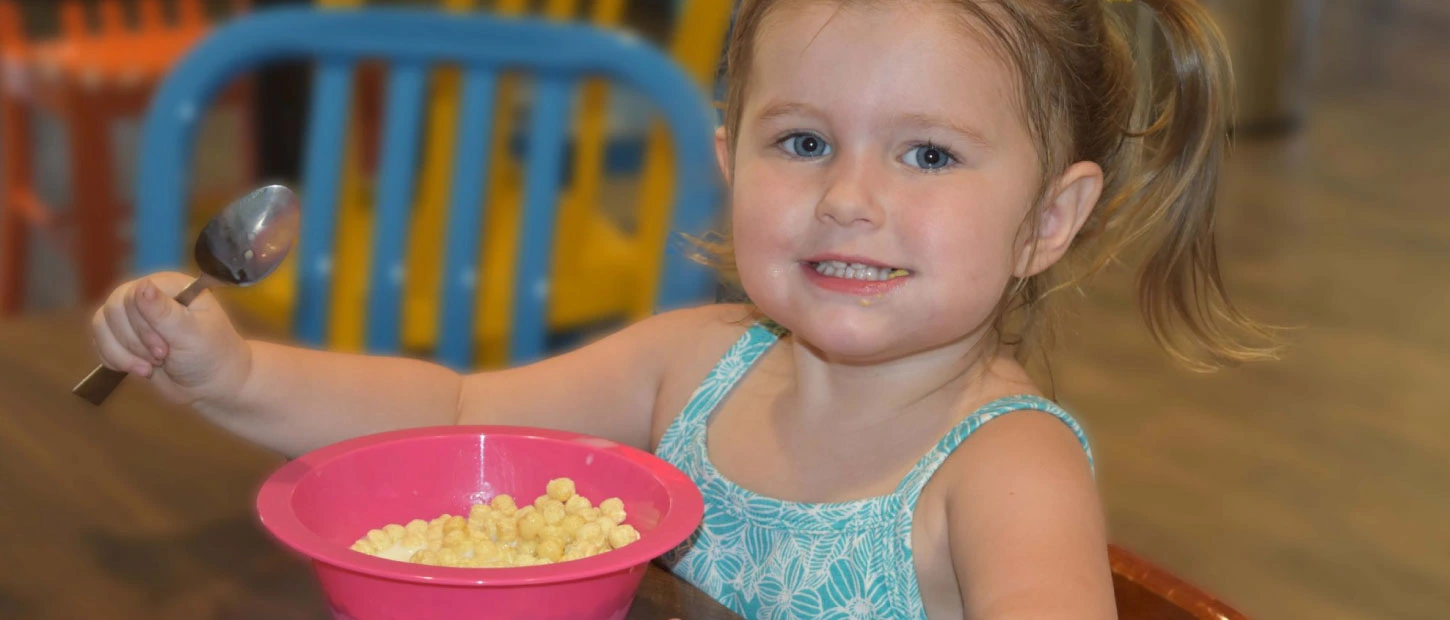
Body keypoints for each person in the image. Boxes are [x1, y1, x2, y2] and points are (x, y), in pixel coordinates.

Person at [90, 0, 1278, 616]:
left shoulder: (1005, 466)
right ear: (728, 158)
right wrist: (234, 376)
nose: (848, 198)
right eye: (803, 141)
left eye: (927, 155)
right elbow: (451, 412)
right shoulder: (692, 363)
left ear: (1048, 219)